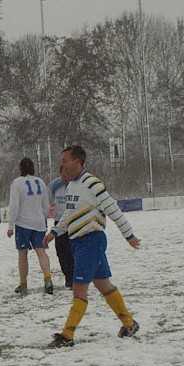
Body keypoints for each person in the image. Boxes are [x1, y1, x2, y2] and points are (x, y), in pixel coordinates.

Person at [42, 146, 141, 348]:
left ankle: (67, 335)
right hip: (78, 242)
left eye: (65, 160)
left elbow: (113, 209)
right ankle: (128, 323)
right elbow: (69, 214)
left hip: (91, 241)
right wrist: (55, 232)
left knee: (79, 289)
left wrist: (129, 235)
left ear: (77, 162)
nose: (62, 165)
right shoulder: (72, 185)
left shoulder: (92, 184)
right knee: (104, 285)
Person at [6, 158, 54, 294]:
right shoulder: (41, 182)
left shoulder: (17, 183)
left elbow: (14, 206)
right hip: (39, 223)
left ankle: (23, 284)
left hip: (23, 223)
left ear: (20, 168)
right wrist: (43, 218)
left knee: (22, 254)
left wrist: (11, 226)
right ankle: (48, 278)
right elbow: (46, 205)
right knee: (41, 252)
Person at [47, 173, 74, 288]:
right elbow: (47, 201)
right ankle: (68, 275)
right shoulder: (55, 184)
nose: (66, 175)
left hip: (74, 222)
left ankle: (73, 277)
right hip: (59, 222)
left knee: (72, 251)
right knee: (61, 252)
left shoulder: (77, 184)